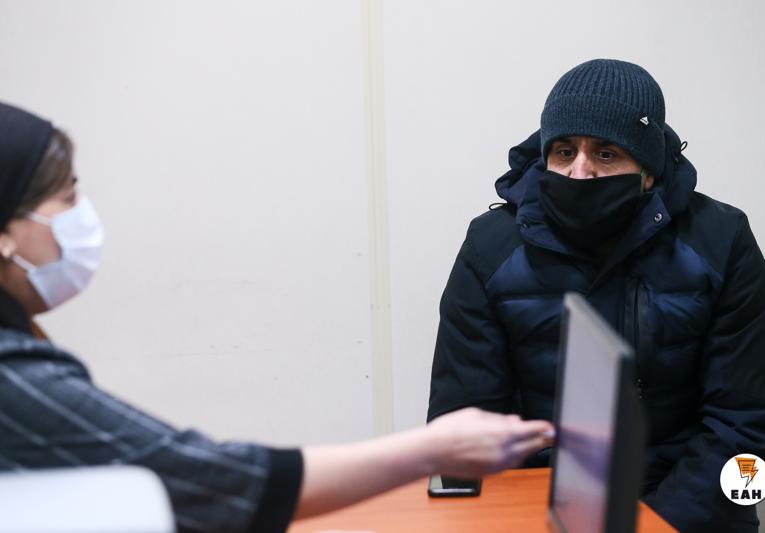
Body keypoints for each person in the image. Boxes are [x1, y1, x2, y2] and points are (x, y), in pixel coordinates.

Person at [0, 101, 555, 533]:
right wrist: (432, 449)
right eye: (68, 197)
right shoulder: (14, 375)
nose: (82, 216)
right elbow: (211, 481)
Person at [427, 59, 765, 533]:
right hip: (537, 509)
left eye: (605, 153)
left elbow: (751, 429)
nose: (579, 172)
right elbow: (463, 430)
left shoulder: (721, 243)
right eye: (564, 151)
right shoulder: (490, 249)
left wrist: (655, 526)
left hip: (687, 512)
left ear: (648, 170)